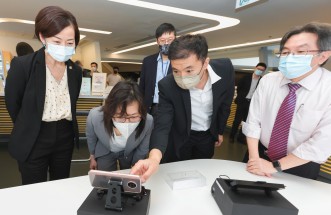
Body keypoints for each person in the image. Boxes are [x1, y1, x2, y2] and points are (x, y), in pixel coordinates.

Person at [131, 34, 235, 182]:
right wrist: (154, 158)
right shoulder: (167, 85)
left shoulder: (225, 69)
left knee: (202, 173)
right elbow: (162, 125)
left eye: (189, 70)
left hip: (207, 136)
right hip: (180, 135)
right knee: (179, 174)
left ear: (205, 63)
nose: (182, 77)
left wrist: (219, 130)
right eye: (176, 71)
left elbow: (225, 102)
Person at [242, 22, 331, 180]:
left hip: (300, 163)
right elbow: (253, 121)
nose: (290, 57)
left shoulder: (327, 89)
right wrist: (254, 159)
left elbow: (321, 143)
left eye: (301, 51)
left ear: (323, 56)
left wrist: (274, 166)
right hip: (258, 154)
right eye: (285, 52)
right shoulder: (269, 80)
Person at [5, 6, 82, 185]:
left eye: (70, 43)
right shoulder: (23, 65)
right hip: (34, 136)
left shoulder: (75, 71)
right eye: (57, 41)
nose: (64, 47)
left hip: (64, 136)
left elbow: (72, 101)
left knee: (60, 184)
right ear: (42, 37)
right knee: (33, 188)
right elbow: (13, 104)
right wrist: (29, 125)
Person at [86, 81, 153, 171]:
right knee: (105, 178)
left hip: (130, 151)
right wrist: (92, 156)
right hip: (105, 150)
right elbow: (91, 137)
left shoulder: (148, 120)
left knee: (129, 176)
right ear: (110, 109)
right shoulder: (95, 116)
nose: (126, 122)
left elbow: (142, 149)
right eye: (120, 116)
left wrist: (136, 166)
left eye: (133, 116)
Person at [139, 23, 176, 116]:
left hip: (172, 109)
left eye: (170, 40)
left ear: (175, 40)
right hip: (151, 108)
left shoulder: (181, 61)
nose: (166, 43)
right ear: (157, 41)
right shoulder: (148, 61)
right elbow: (141, 88)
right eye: (162, 40)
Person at [229, 62, 267, 144]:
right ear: (255, 68)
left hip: (252, 104)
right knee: (237, 120)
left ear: (263, 72)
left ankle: (241, 138)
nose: (259, 71)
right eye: (258, 69)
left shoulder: (262, 81)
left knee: (246, 122)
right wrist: (241, 97)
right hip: (242, 101)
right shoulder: (246, 77)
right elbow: (239, 88)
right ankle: (232, 136)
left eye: (261, 70)